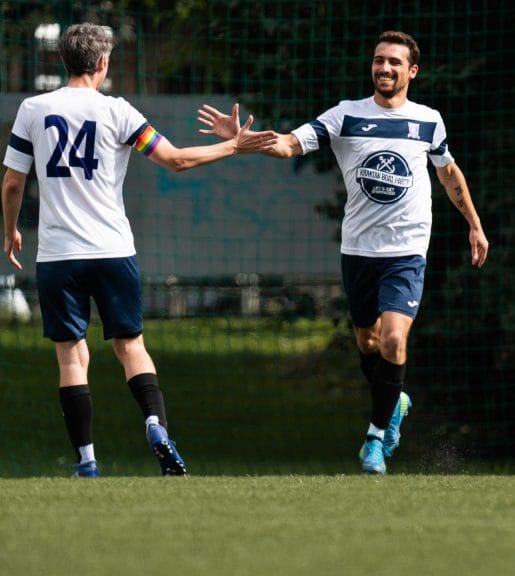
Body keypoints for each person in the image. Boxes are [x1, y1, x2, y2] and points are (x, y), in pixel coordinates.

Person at [198, 30, 489, 475]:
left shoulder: (428, 120)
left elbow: (449, 173)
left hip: (407, 251)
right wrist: (243, 141)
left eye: (394, 62)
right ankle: (395, 400)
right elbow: (289, 143)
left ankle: (374, 440)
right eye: (378, 60)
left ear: (412, 71)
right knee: (368, 342)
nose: (384, 68)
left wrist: (474, 224)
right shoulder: (346, 116)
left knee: (393, 339)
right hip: (358, 252)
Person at [0, 23, 277, 477]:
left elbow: (13, 181)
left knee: (72, 355)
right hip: (112, 250)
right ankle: (154, 422)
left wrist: (11, 231)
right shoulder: (119, 112)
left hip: (58, 255)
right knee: (131, 346)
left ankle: (87, 461)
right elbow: (176, 160)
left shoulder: (34, 109)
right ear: (104, 64)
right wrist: (232, 145)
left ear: (62, 60)